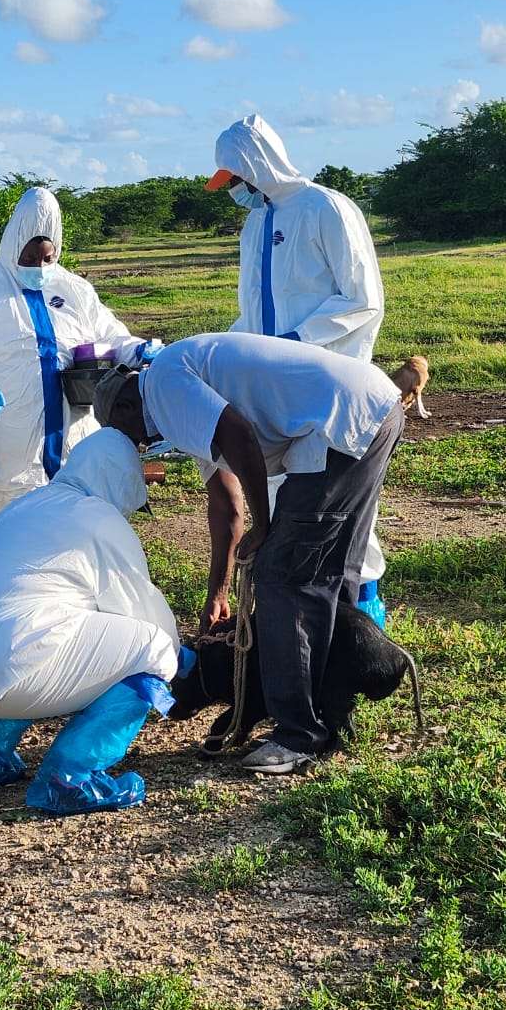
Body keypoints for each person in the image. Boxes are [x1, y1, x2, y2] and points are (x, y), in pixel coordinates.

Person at [93, 332, 404, 776]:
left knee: (283, 575)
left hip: (341, 423)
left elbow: (240, 438)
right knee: (329, 568)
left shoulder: (162, 388)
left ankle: (298, 735)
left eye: (131, 438)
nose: (142, 447)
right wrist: (218, 591)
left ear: (125, 408)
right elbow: (225, 501)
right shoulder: (180, 395)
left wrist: (265, 525)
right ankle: (334, 712)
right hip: (367, 411)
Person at [0, 428, 183, 814]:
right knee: (154, 649)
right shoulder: (99, 518)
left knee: (25, 631)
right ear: (120, 483)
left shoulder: (26, 504)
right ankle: (71, 778)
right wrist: (179, 656)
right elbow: (140, 610)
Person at [205, 114, 387, 624]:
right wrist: (232, 347)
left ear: (257, 165)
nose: (234, 191)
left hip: (326, 383)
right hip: (274, 390)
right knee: (285, 497)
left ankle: (363, 613)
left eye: (236, 179)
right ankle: (295, 614)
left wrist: (295, 345)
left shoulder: (326, 208)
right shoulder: (256, 222)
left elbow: (361, 299)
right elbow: (255, 308)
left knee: (340, 500)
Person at [0, 186, 160, 515]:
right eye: (29, 259)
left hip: (76, 441)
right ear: (13, 248)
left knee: (76, 528)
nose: (38, 267)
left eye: (47, 259)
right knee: (20, 535)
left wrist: (141, 350)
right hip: (17, 451)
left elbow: (108, 334)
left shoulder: (74, 290)